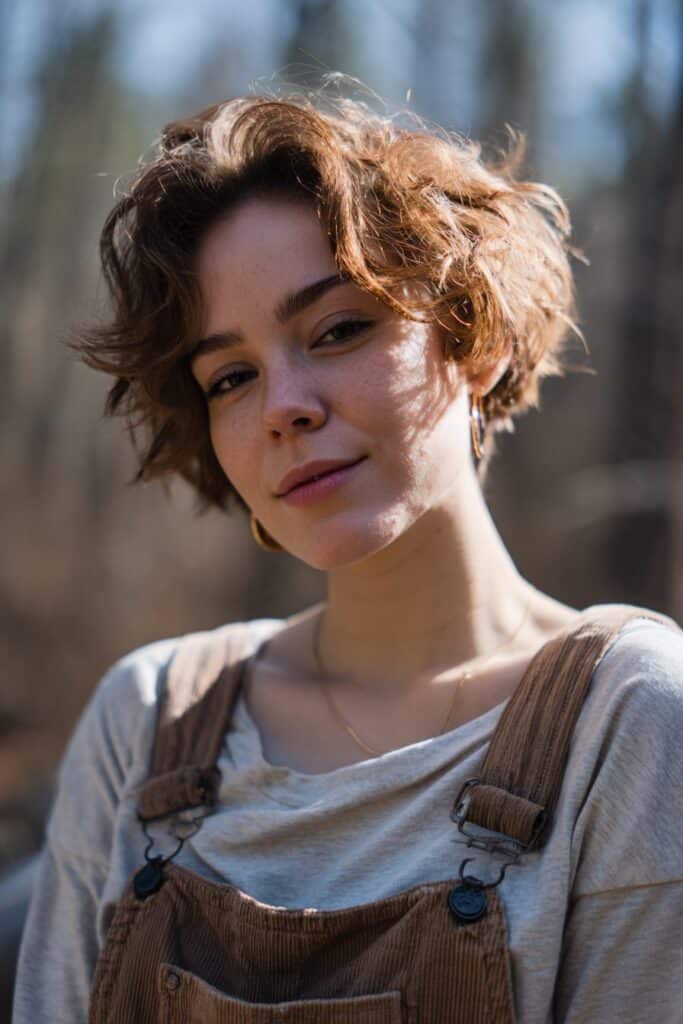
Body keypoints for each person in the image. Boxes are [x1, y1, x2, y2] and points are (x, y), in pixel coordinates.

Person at [13, 87, 683, 1024]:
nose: (283, 404)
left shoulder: (631, 722)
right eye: (231, 376)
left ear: (471, 335)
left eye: (337, 329)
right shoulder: (149, 715)